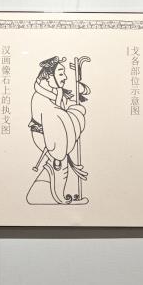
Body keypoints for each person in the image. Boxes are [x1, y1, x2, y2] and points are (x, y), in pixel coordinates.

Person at [28, 55, 90, 205]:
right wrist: (76, 113)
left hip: (51, 134)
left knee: (53, 163)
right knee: (59, 163)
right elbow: (58, 116)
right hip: (44, 136)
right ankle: (60, 199)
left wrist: (80, 87)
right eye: (61, 73)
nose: (65, 77)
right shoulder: (40, 97)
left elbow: (75, 98)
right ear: (49, 76)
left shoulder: (55, 92)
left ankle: (36, 194)